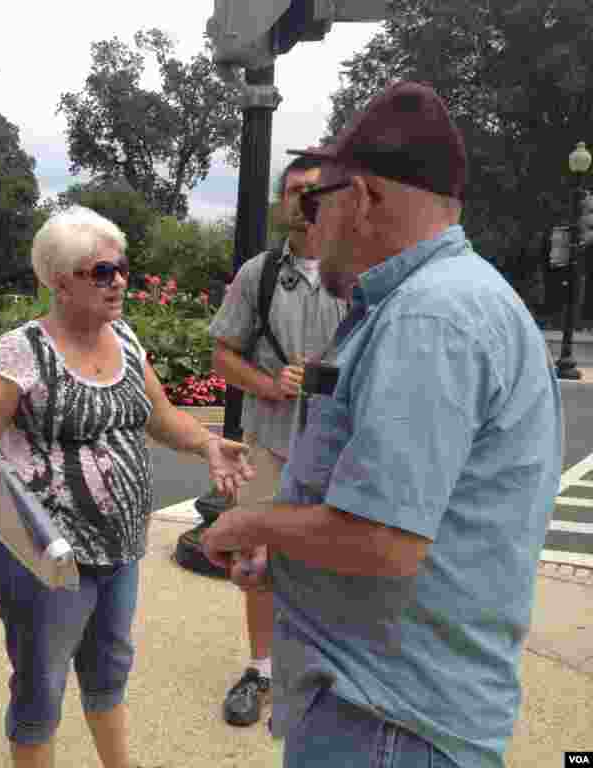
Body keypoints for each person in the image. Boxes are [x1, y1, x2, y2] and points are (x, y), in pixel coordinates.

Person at [202, 81, 563, 768]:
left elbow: (384, 541)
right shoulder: (460, 301)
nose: (307, 227)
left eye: (316, 204)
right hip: (403, 713)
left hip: (386, 722)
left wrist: (250, 524)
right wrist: (292, 554)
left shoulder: (428, 319)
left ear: (363, 198)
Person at [0, 206, 254, 768]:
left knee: (109, 664)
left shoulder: (123, 337)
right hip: (47, 558)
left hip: (119, 547)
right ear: (60, 280)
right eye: (101, 271)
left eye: (120, 268)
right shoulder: (22, 350)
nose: (118, 280)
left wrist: (206, 444)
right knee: (42, 680)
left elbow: (160, 415)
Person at [208, 155, 348, 727]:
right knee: (258, 559)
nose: (302, 201)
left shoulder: (362, 272)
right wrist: (269, 384)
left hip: (341, 447)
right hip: (269, 441)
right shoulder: (258, 274)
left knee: (334, 560)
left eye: (313, 191)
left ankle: (318, 673)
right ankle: (262, 668)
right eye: (293, 191)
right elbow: (221, 354)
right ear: (283, 201)